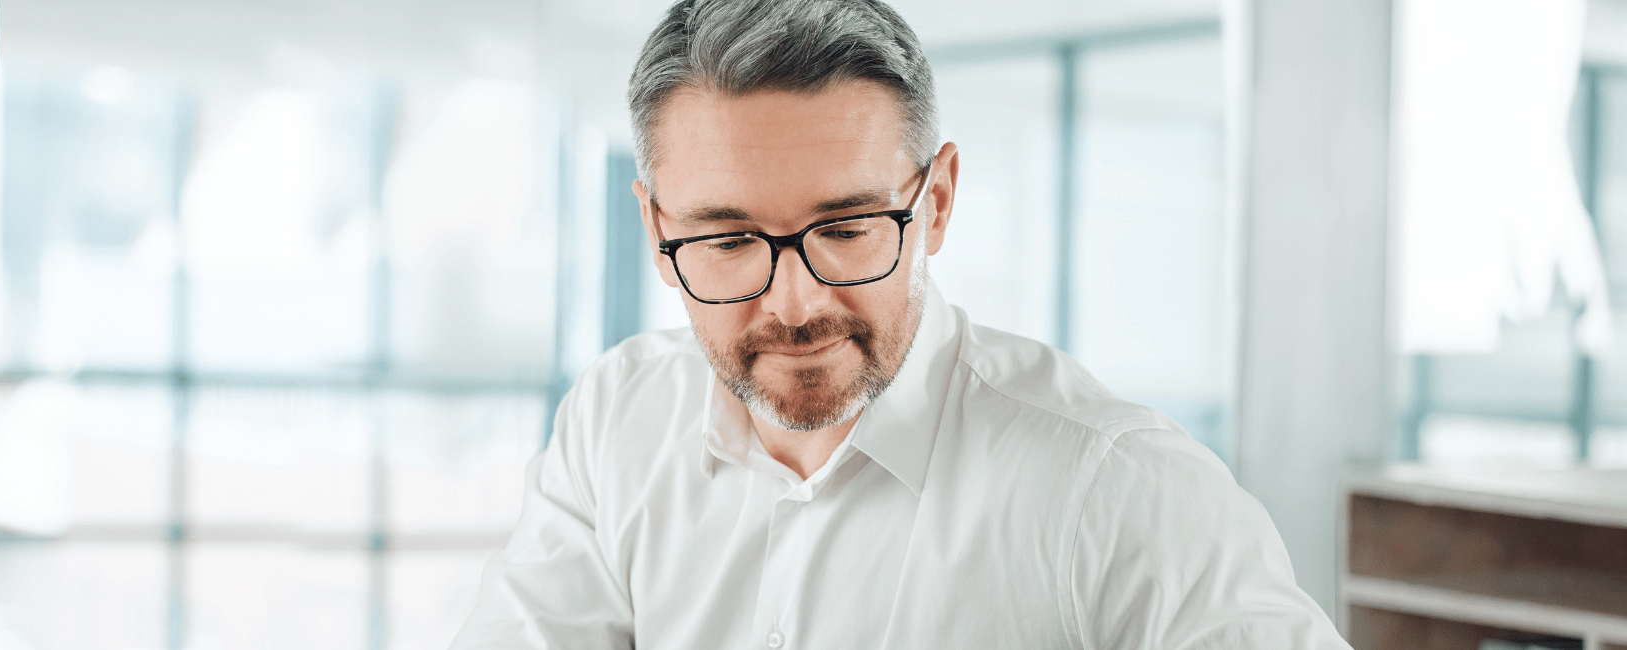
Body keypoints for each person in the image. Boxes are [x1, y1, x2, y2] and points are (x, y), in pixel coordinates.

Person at [453, 0, 1352, 647]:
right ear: (656, 232)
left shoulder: (1116, 489)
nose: (794, 305)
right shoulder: (618, 420)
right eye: (727, 241)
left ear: (938, 203)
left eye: (844, 231)